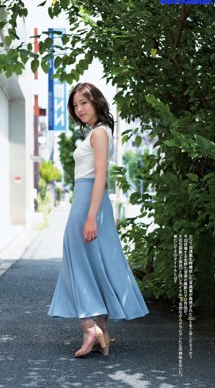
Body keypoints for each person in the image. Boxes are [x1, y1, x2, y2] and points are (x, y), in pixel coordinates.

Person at [48, 82, 149, 357]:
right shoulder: (96, 133)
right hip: (87, 200)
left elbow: (101, 177)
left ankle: (88, 327)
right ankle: (101, 329)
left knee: (76, 261)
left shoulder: (100, 134)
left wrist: (91, 217)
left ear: (96, 102)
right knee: (93, 261)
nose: (79, 109)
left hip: (89, 202)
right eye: (76, 104)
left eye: (84, 102)